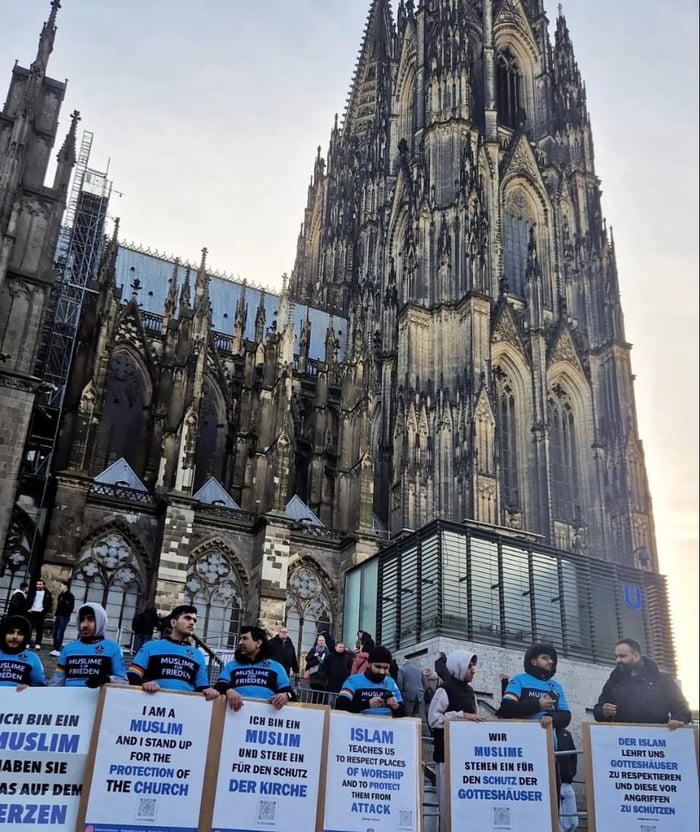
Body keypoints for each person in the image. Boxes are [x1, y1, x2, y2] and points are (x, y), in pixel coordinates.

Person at [427, 650, 485, 832]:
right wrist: (460, 716)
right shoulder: (444, 690)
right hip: (446, 755)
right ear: (458, 666)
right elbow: (433, 719)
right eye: (469, 666)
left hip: (466, 757)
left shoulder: (470, 692)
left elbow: (474, 717)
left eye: (474, 666)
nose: (473, 670)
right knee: (447, 803)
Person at [593, 637, 691, 727]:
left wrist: (677, 720)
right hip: (623, 737)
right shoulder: (614, 682)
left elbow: (681, 708)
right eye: (616, 656)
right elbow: (598, 711)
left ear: (636, 656)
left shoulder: (663, 680)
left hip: (657, 737)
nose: (618, 660)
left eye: (622, 656)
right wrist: (603, 712)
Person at [127, 604, 218, 699]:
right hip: (152, 702)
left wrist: (209, 690)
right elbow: (132, 674)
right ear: (173, 622)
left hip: (184, 704)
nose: (192, 623)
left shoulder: (198, 655)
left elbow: (202, 687)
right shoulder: (150, 646)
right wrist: (144, 683)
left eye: (194, 620)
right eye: (187, 618)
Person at [214, 625, 296, 710]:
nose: (240, 643)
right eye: (240, 639)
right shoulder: (231, 666)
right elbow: (219, 686)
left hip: (264, 716)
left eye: (245, 639)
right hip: (234, 715)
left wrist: (286, 696)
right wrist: (228, 690)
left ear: (258, 643)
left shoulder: (276, 667)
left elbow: (291, 694)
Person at [496, 643, 571, 736]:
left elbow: (566, 715)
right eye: (545, 658)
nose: (551, 662)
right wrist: (538, 705)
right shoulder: (519, 679)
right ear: (534, 661)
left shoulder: (557, 686)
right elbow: (506, 707)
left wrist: (551, 717)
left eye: (552, 659)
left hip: (549, 739)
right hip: (521, 735)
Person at [49, 602, 127, 687]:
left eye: (90, 619)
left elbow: (123, 681)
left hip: (98, 695)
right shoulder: (68, 648)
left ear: (100, 621)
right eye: (82, 620)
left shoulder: (113, 649)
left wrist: (106, 679)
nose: (84, 625)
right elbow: (56, 682)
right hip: (69, 695)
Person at [335, 645, 406, 717]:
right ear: (369, 664)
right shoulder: (353, 680)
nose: (382, 671)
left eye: (386, 668)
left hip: (386, 723)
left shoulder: (391, 682)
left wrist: (395, 707)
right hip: (359, 722)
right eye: (378, 667)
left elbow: (404, 712)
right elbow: (340, 705)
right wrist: (367, 704)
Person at [0, 615, 46, 689]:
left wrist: (28, 688)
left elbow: (39, 686)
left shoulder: (32, 658)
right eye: (11, 632)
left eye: (20, 633)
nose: (15, 637)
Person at [50, 580, 75, 656]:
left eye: (61, 586)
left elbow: (70, 608)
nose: (60, 587)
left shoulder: (70, 596)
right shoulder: (60, 596)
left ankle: (58, 649)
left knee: (60, 632)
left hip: (64, 617)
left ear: (66, 587)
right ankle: (55, 648)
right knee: (55, 632)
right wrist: (55, 615)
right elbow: (58, 607)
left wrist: (64, 614)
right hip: (59, 616)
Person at [26, 578, 52, 650]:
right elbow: (28, 601)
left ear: (43, 585)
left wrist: (44, 612)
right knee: (29, 628)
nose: (38, 585)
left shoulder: (47, 594)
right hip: (32, 612)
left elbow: (49, 604)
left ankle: (37, 643)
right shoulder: (32, 592)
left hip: (40, 613)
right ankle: (28, 642)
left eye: (40, 584)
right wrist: (28, 609)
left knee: (39, 629)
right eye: (37, 584)